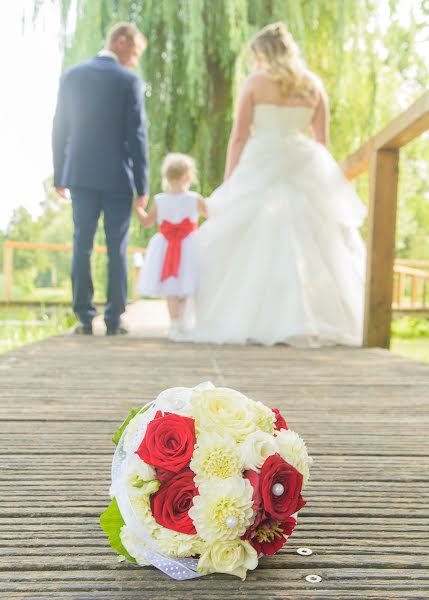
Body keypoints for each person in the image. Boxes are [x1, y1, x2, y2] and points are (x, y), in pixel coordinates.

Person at [189, 22, 366, 347]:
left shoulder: (256, 82)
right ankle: (315, 318)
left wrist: (230, 181)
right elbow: (321, 140)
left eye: (256, 54)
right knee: (317, 236)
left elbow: (239, 135)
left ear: (264, 53)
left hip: (262, 159)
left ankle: (254, 319)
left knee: (248, 235)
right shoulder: (313, 85)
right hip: (303, 160)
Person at [52, 22, 149, 335]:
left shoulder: (72, 75)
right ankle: (113, 319)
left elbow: (60, 127)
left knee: (82, 243)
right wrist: (142, 185)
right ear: (120, 42)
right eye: (134, 52)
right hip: (119, 178)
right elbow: (137, 136)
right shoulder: (128, 80)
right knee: (117, 247)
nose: (134, 60)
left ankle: (83, 317)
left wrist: (59, 174)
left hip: (79, 173)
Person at [135, 153, 206, 339]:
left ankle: (175, 323)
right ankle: (193, 322)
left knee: (172, 288)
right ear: (189, 176)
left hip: (166, 247)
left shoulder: (159, 200)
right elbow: (211, 214)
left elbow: (148, 222)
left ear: (166, 178)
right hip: (190, 247)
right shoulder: (194, 198)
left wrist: (138, 209)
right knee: (191, 283)